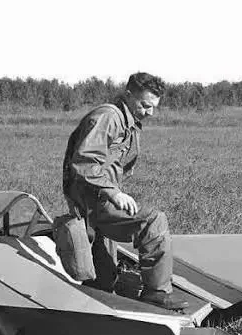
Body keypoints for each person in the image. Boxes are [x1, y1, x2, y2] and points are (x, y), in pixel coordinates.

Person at [62, 72, 188, 311]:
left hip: (95, 200)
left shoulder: (126, 120)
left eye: (154, 107)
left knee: (103, 280)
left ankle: (96, 311)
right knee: (153, 221)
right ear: (128, 95)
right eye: (145, 105)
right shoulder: (109, 117)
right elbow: (84, 162)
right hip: (95, 201)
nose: (149, 112)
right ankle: (156, 292)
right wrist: (114, 193)